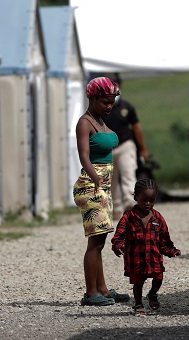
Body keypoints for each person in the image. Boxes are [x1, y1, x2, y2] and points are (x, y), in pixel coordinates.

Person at [73, 77, 130, 306]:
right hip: (91, 186)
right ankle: (90, 293)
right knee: (94, 243)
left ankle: (103, 289)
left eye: (112, 101)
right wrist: (95, 176)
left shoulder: (100, 120)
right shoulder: (85, 123)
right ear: (92, 98)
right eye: (105, 101)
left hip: (103, 187)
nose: (110, 106)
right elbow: (84, 155)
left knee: (100, 242)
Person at [111, 178, 181, 314]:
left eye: (152, 200)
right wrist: (118, 245)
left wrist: (172, 251)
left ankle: (153, 294)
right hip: (136, 260)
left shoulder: (158, 218)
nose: (148, 203)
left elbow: (164, 240)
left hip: (154, 258)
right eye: (144, 200)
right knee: (138, 283)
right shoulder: (128, 217)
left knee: (159, 278)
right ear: (136, 197)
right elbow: (119, 235)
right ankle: (138, 303)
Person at [101, 74, 150, 219]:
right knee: (111, 180)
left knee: (128, 174)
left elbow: (137, 128)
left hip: (125, 145)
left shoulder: (127, 107)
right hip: (107, 149)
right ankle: (116, 208)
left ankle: (130, 204)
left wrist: (143, 149)